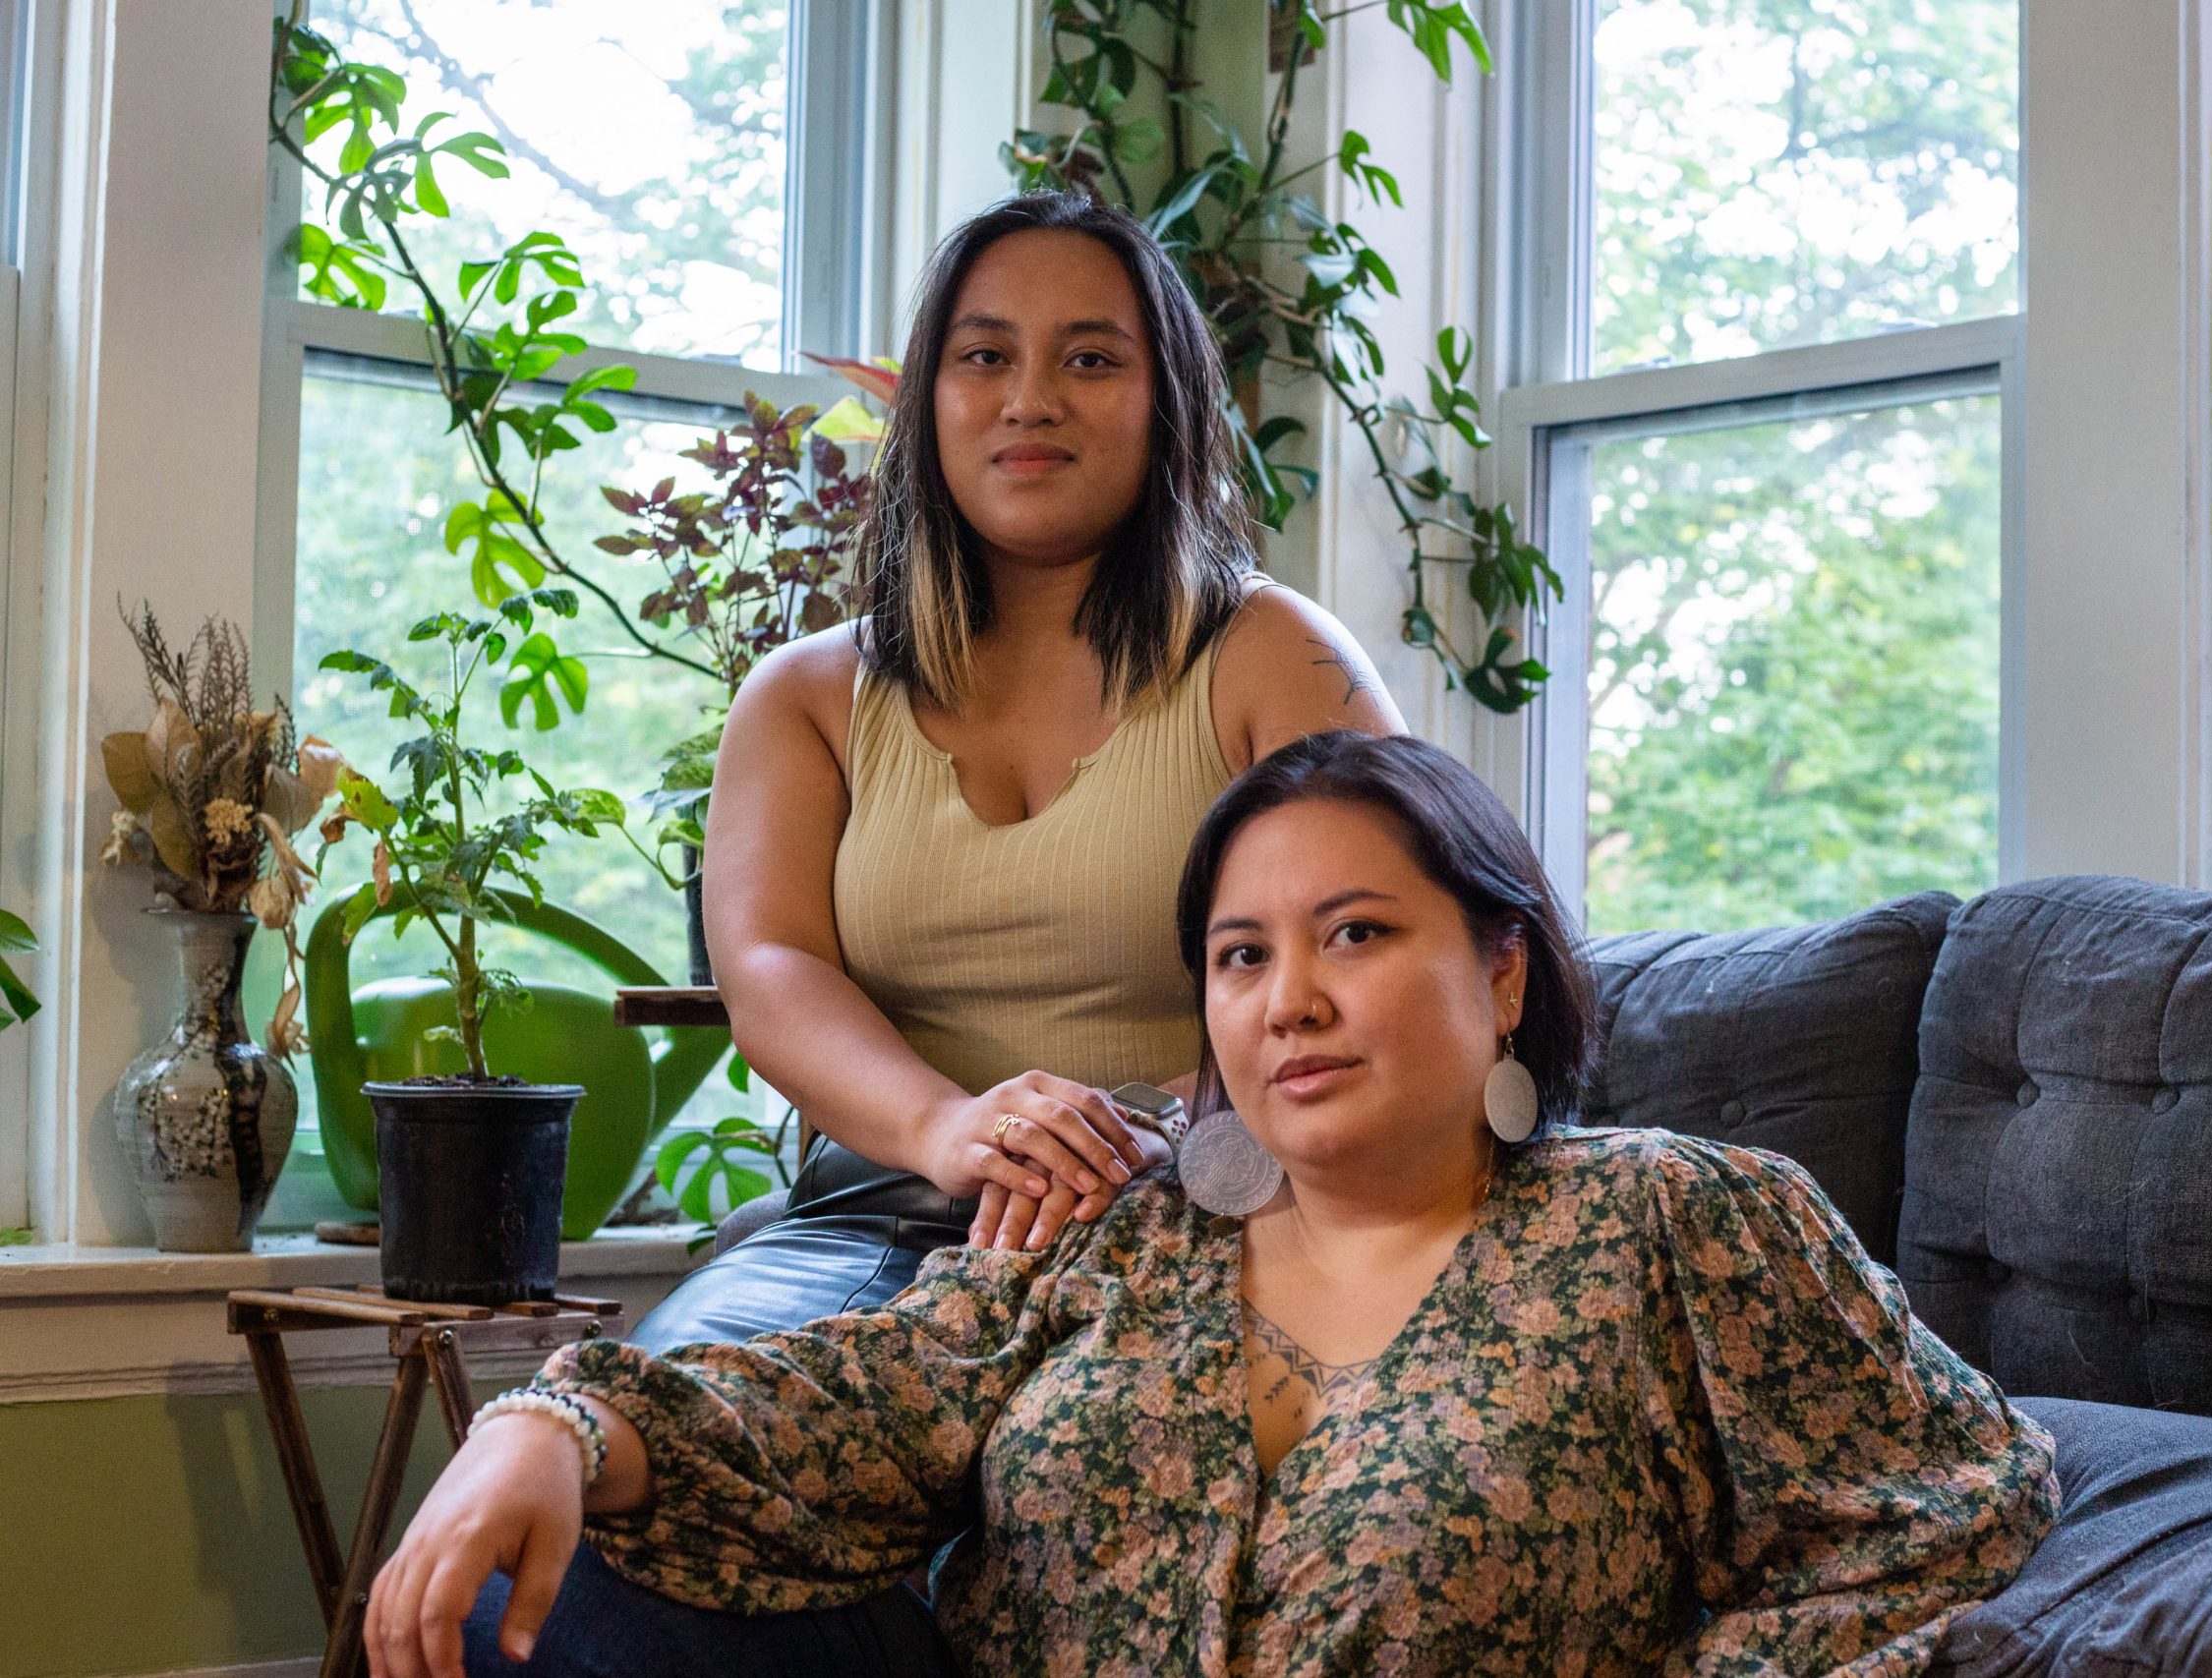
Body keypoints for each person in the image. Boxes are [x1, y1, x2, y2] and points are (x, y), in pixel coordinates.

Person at [379, 732, 2058, 1677]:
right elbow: (870, 1397)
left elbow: (1956, 1503)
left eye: (1355, 934)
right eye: (1240, 957)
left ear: (1501, 965)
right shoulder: (1122, 1225)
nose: (1288, 999)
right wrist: (562, 1418)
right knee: (544, 1581)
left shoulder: (1683, 1224)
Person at [632, 189, 1403, 1351]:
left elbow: (1382, 945)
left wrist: (1193, 1146)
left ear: (1166, 405)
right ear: (928, 400)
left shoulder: (1271, 656)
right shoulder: (803, 698)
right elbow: (769, 967)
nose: (1029, 399)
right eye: (983, 355)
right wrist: (948, 1130)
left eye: (1091, 359)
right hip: (875, 1221)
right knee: (640, 1451)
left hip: (1205, 1213)